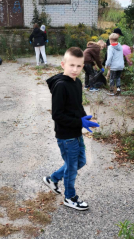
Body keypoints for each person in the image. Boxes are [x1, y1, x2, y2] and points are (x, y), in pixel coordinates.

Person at [43, 47, 100, 211]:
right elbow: (57, 115)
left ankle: (53, 179)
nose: (75, 69)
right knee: (72, 167)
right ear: (63, 64)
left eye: (79, 66)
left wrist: (85, 119)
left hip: (75, 132)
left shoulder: (77, 82)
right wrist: (79, 122)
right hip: (66, 136)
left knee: (79, 162)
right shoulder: (60, 86)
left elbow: (77, 105)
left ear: (83, 66)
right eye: (71, 65)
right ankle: (70, 197)